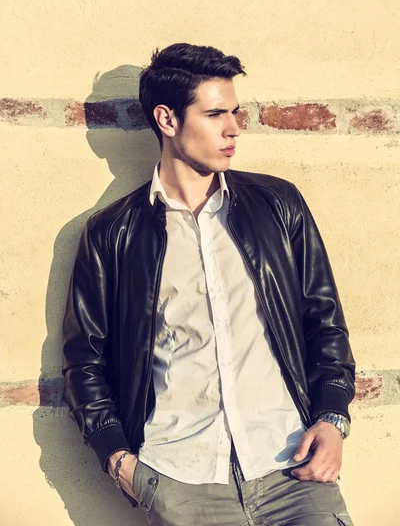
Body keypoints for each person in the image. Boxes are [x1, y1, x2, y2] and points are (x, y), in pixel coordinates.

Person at [62, 43, 356, 526]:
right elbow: (84, 360)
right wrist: (119, 461)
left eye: (235, 112)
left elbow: (324, 323)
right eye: (215, 113)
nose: (234, 127)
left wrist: (333, 418)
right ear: (167, 119)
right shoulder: (112, 233)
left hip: (294, 471)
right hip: (182, 483)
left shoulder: (278, 205)